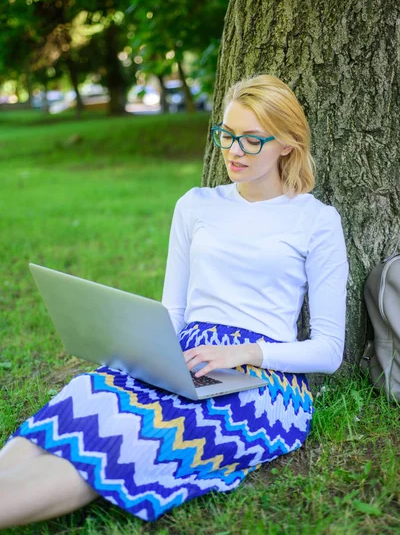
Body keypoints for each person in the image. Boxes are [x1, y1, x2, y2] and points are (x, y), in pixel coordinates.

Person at [0, 74, 349, 529]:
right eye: (226, 135)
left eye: (250, 140)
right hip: (182, 354)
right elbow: (174, 311)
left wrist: (243, 353)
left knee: (137, 436)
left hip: (263, 379)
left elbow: (328, 349)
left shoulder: (316, 221)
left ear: (286, 144)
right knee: (87, 397)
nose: (234, 151)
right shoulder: (196, 205)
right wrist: (145, 348)